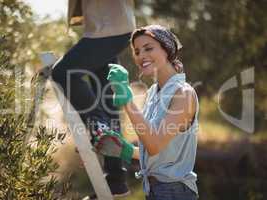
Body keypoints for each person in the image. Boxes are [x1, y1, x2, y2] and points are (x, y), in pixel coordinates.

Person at [95, 25, 199, 200]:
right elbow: (157, 151)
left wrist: (126, 99)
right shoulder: (152, 93)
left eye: (148, 48)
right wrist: (125, 150)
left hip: (175, 192)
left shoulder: (184, 93)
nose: (141, 55)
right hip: (154, 190)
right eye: (136, 51)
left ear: (167, 50)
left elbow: (155, 145)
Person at [51, 0, 136, 199]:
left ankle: (99, 127)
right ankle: (116, 181)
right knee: (107, 100)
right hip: (107, 27)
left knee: (64, 72)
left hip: (110, 28)